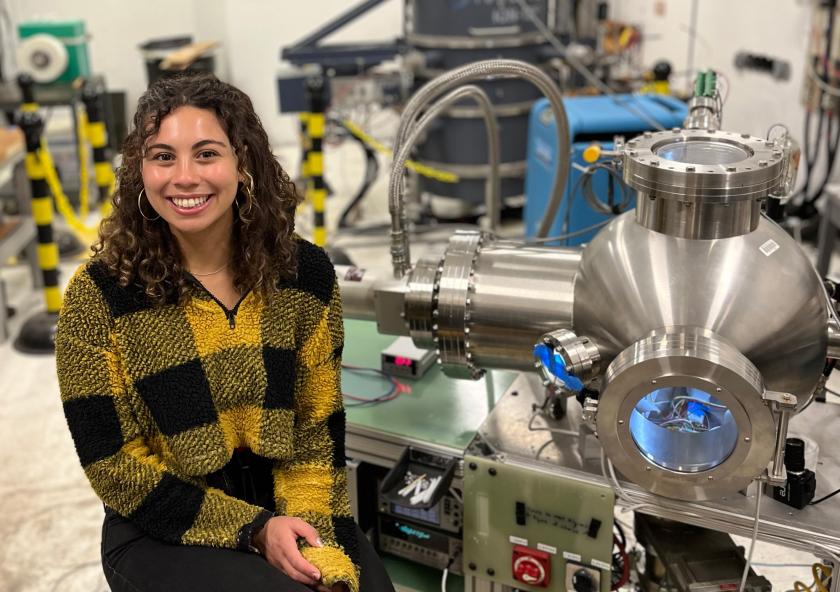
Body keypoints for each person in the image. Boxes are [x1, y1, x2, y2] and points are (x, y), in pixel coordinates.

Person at [55, 73, 395, 592]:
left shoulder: (303, 275)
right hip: (158, 517)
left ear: (244, 163)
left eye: (206, 154)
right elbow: (113, 465)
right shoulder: (99, 294)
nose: (184, 177)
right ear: (140, 171)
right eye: (163, 157)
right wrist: (256, 531)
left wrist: (318, 549)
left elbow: (314, 432)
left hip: (283, 494)